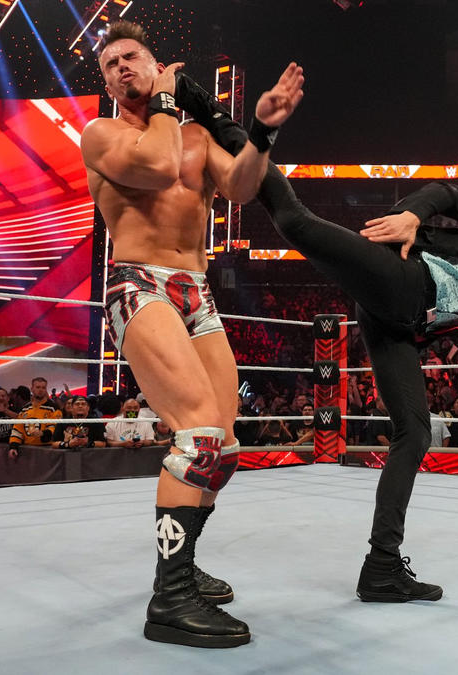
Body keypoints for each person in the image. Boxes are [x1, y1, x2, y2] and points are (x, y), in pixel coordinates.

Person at [183, 96, 458, 603]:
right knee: (295, 222)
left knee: (415, 433)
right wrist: (411, 214)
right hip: (404, 278)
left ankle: (382, 568)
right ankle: (218, 115)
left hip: (400, 327)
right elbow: (448, 192)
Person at [81, 19, 303, 648]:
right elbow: (155, 167)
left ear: (156, 64)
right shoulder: (102, 135)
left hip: (195, 291)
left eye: (131, 57)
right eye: (110, 65)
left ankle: (185, 566)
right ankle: (170, 598)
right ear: (108, 84)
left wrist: (263, 130)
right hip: (138, 285)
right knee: (198, 434)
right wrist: (167, 102)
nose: (121, 68)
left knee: (224, 447)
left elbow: (243, 187)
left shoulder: (199, 136)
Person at [8, 378, 63, 453]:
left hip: (47, 450)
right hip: (26, 450)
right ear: (32, 389)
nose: (40, 390)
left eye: (43, 388)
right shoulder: (25, 409)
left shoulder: (53, 408)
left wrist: (43, 433)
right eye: (38, 387)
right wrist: (13, 447)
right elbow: (17, 430)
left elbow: (55, 427)